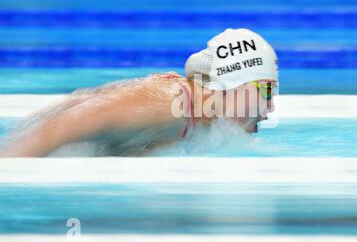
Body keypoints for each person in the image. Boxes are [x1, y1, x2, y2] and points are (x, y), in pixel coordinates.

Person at [0, 28, 278, 157]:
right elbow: (63, 124)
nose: (269, 110)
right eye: (266, 90)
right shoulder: (167, 105)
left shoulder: (190, 112)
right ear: (231, 82)